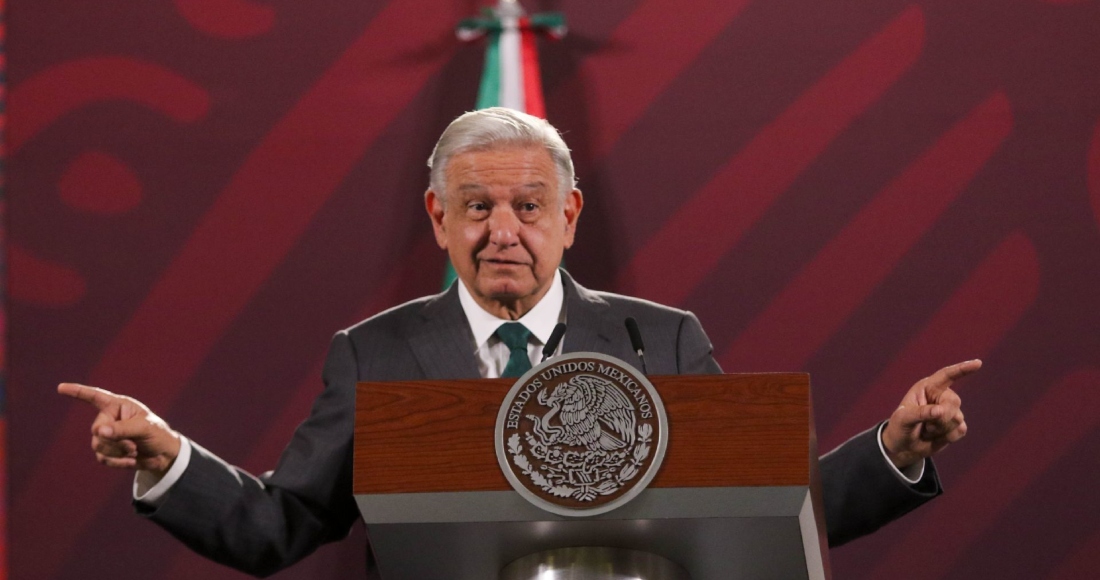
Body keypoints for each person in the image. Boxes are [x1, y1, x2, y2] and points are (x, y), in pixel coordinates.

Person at [59, 107, 974, 577]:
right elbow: (278, 528)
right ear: (438, 218)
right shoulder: (374, 353)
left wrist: (891, 451)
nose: (504, 230)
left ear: (569, 217)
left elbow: (770, 507)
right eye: (478, 207)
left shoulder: (662, 339)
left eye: (528, 207)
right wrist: (168, 456)